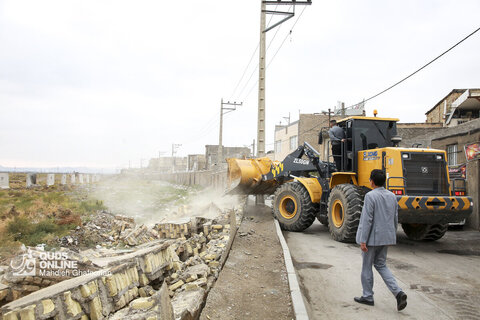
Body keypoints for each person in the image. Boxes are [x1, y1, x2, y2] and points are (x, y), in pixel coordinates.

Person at [354, 169, 407, 311]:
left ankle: (367, 296)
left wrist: (363, 240)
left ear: (371, 181)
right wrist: (392, 236)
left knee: (367, 266)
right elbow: (395, 218)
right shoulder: (392, 196)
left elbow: (367, 219)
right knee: (381, 265)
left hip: (371, 238)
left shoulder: (370, 196)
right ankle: (398, 292)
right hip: (386, 237)